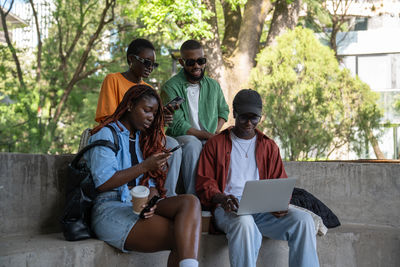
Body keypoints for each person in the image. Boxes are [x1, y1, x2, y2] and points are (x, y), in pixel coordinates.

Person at [196, 89, 320, 267]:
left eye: (254, 118)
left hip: (263, 209)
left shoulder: (269, 146)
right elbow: (204, 182)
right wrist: (222, 198)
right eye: (243, 117)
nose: (248, 123)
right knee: (244, 222)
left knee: (304, 221)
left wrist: (280, 204)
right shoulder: (216, 143)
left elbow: (279, 182)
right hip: (228, 207)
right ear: (234, 113)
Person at [86, 84, 201, 267]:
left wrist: (153, 202)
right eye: (147, 110)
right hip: (111, 208)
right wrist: (145, 166)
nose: (151, 117)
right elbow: (103, 183)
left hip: (138, 205)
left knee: (190, 202)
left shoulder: (143, 137)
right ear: (130, 105)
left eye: (155, 114)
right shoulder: (106, 133)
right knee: (182, 235)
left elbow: (151, 186)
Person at [95, 38, 181, 197]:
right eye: (147, 62)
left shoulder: (148, 89)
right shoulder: (113, 80)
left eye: (154, 65)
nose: (150, 68)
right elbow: (107, 118)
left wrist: (160, 120)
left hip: (142, 136)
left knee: (172, 145)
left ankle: (165, 195)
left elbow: (151, 127)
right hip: (122, 136)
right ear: (131, 59)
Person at [161, 39, 229, 194]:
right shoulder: (171, 87)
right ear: (181, 62)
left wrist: (214, 133)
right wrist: (206, 136)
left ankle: (224, 195)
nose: (197, 66)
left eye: (201, 61)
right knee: (193, 144)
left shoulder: (213, 85)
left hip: (209, 135)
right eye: (191, 62)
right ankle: (194, 197)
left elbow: (223, 112)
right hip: (183, 137)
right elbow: (178, 125)